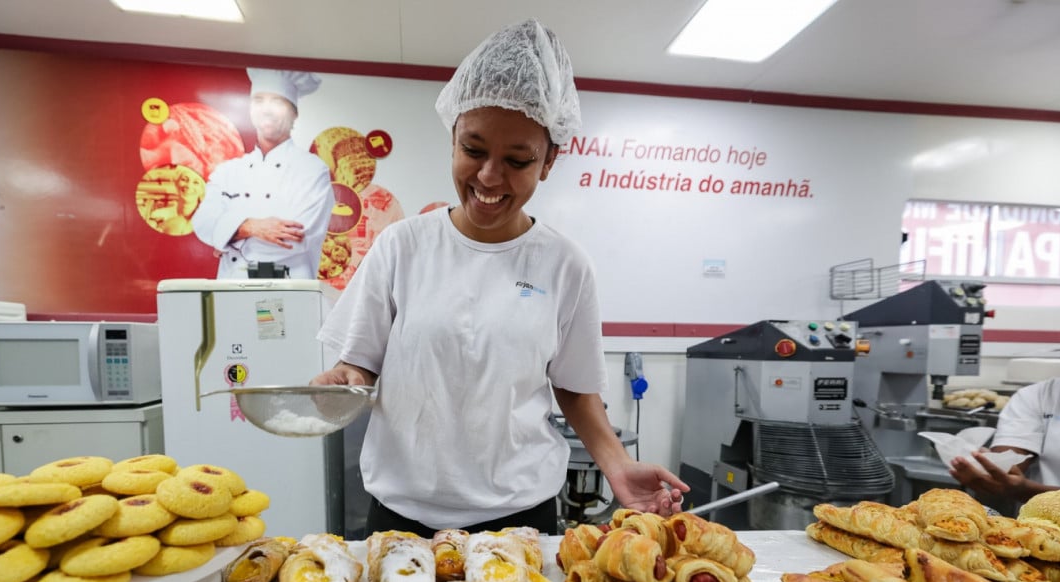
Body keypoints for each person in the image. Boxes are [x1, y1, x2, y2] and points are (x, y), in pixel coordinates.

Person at [312, 19, 688, 536]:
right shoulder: (402, 246)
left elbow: (575, 389)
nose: (489, 177)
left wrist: (618, 465)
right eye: (473, 150)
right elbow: (360, 364)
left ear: (549, 162)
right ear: (452, 140)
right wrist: (344, 382)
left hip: (519, 519)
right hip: (402, 516)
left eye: (517, 160)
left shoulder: (564, 264)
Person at [191, 68, 334, 280]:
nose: (267, 110)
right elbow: (202, 223)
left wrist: (227, 237)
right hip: (230, 291)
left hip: (288, 294)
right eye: (259, 100)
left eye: (277, 102)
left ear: (294, 112)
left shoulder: (312, 170)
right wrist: (252, 227)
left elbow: (296, 240)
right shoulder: (228, 171)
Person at [950, 294, 1060, 508]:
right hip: (1038, 537)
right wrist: (992, 470)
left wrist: (1027, 490)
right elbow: (1007, 470)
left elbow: (1019, 487)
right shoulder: (1040, 396)